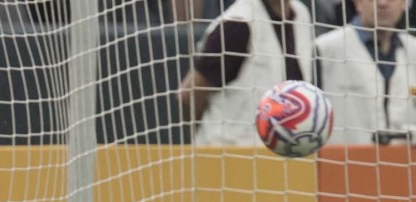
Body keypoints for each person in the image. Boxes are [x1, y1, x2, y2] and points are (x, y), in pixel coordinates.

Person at [177, 0, 316, 146]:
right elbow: (189, 95)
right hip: (228, 152)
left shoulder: (301, 14)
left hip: (279, 152)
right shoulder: (237, 24)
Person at [316, 0, 416, 145]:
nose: (383, 3)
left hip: (404, 163)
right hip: (340, 161)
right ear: (357, 3)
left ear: (405, 4)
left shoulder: (413, 50)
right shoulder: (326, 49)